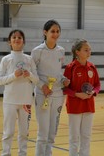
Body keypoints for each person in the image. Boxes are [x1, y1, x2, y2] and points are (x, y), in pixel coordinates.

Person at [0, 29, 39, 156]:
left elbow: (36, 80)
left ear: (23, 41)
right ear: (10, 42)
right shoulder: (5, 59)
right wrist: (14, 75)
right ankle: (6, 153)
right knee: (8, 132)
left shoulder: (29, 59)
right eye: (14, 37)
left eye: (19, 37)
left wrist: (29, 74)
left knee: (24, 132)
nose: (17, 39)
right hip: (10, 101)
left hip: (26, 101)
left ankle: (22, 154)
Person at [31, 19, 70, 156]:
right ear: (45, 32)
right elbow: (32, 73)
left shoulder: (61, 51)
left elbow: (58, 72)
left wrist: (64, 79)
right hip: (43, 95)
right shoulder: (37, 51)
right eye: (52, 31)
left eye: (58, 31)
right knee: (43, 132)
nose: (55, 34)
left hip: (58, 94)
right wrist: (42, 86)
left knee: (52, 132)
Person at [63, 39, 101, 156]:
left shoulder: (92, 67)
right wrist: (76, 94)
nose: (89, 52)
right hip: (74, 106)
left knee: (86, 136)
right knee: (74, 137)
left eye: (89, 49)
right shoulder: (70, 68)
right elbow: (64, 89)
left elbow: (97, 85)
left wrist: (93, 92)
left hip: (89, 105)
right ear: (77, 52)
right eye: (86, 50)